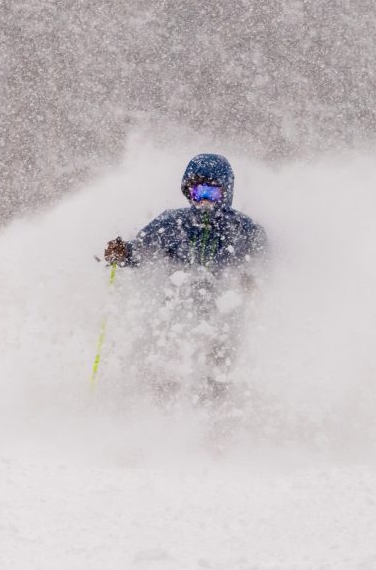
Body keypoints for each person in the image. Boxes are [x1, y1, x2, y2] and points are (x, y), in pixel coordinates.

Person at [103, 153, 268, 404]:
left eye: (211, 193)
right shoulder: (172, 223)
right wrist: (123, 253)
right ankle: (154, 410)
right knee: (165, 357)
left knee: (220, 364)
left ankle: (218, 416)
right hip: (177, 306)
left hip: (223, 311)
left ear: (226, 192)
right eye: (196, 192)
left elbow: (263, 265)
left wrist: (253, 282)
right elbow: (143, 252)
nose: (203, 201)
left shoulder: (244, 230)